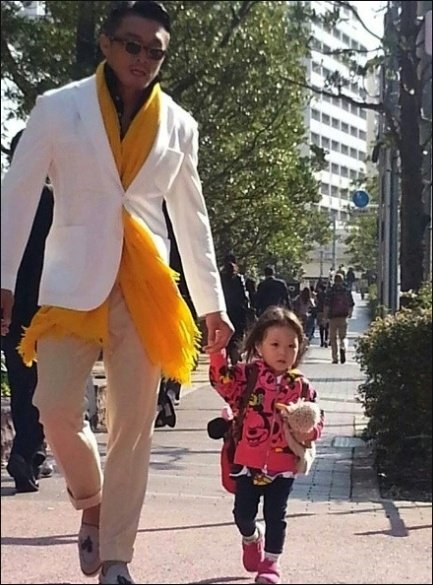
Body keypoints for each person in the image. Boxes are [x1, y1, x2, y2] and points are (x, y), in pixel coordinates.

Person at [1, 3, 233, 584]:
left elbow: (192, 217)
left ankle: (117, 557)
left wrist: (213, 305)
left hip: (146, 287)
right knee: (53, 406)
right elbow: (18, 194)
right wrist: (2, 279)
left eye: (155, 51)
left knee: (134, 426)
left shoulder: (179, 124)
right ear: (106, 44)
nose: (142, 58)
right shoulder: (58, 108)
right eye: (132, 44)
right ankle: (92, 499)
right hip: (72, 281)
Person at [209, 307, 324, 585]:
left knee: (276, 516)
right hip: (248, 463)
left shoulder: (301, 386)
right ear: (260, 345)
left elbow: (316, 419)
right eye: (275, 344)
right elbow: (222, 381)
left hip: (283, 466)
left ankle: (271, 564)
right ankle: (251, 537)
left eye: (291, 346)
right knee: (242, 514)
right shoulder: (247, 376)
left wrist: (309, 431)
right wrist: (217, 351)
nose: (283, 352)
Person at [2, 130, 54, 493]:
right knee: (45, 385)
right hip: (46, 307)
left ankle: (32, 452)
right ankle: (28, 452)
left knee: (23, 384)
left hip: (9, 307)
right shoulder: (52, 199)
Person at [220, 260, 250, 366]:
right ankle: (235, 357)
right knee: (237, 335)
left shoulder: (220, 279)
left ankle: (224, 358)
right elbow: (244, 296)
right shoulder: (239, 278)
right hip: (238, 311)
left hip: (225, 310)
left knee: (224, 335)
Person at [324, 273, 355, 364]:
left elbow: (327, 305)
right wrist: (350, 313)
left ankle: (335, 358)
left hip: (333, 317)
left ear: (334, 280)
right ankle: (343, 347)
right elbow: (351, 304)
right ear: (342, 280)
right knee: (343, 337)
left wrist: (325, 317)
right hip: (343, 317)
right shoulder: (346, 290)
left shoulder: (330, 291)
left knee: (333, 338)